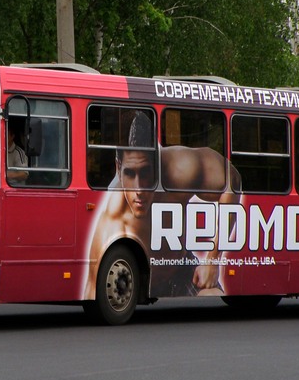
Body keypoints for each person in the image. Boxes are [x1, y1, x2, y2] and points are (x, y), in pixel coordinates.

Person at [84, 111, 238, 298]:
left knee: (212, 295)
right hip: (147, 285)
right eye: (130, 174)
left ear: (157, 163)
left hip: (182, 270)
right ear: (118, 168)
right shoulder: (112, 219)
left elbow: (232, 181)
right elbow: (92, 293)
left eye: (146, 172)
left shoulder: (179, 169)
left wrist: (213, 260)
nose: (139, 189)